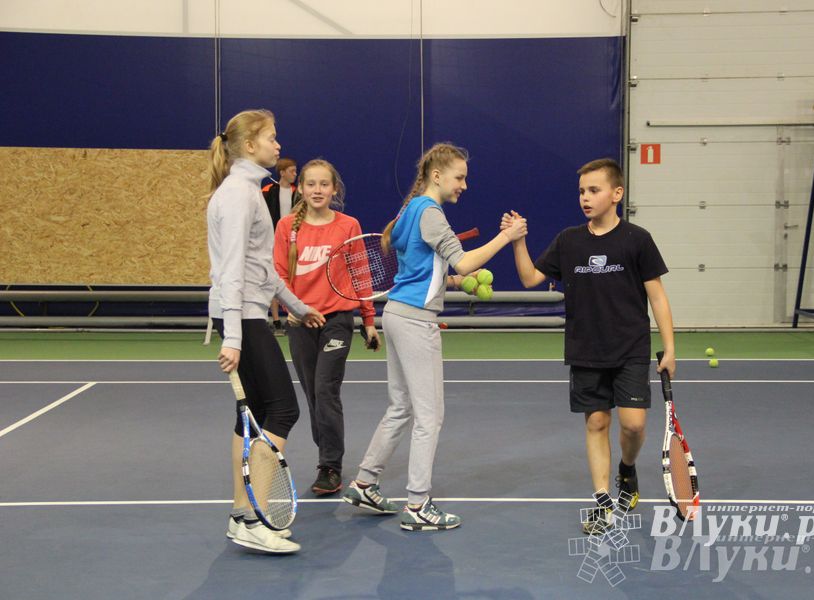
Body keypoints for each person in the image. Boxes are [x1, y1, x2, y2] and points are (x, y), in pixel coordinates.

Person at [342, 142, 527, 531]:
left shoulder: (411, 210)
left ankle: (364, 482)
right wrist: (506, 238)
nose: (464, 185)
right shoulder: (431, 214)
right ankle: (418, 505)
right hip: (414, 322)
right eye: (460, 177)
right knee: (430, 416)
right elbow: (463, 258)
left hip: (395, 313)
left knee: (401, 407)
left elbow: (430, 268)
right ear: (437, 175)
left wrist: (459, 281)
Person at [501, 158, 674, 533]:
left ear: (617, 194)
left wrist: (670, 347)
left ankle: (627, 469)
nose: (585, 197)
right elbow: (531, 278)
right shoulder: (569, 240)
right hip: (586, 349)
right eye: (581, 191)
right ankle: (601, 502)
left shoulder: (637, 240)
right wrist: (518, 241)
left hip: (630, 347)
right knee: (597, 422)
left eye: (594, 190)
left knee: (633, 425)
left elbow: (657, 296)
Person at [206, 109, 325, 554]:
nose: (279, 145)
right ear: (250, 145)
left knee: (249, 414)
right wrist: (234, 337)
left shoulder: (249, 191)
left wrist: (298, 306)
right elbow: (233, 269)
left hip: (244, 311)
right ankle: (253, 516)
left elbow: (260, 268)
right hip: (243, 316)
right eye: (272, 138)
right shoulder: (239, 194)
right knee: (283, 411)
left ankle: (242, 514)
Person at [273, 158, 379, 497]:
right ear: (300, 188)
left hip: (337, 321)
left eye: (324, 184)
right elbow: (278, 274)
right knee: (312, 394)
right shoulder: (287, 227)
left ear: (334, 189)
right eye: (311, 184)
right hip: (301, 323)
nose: (317, 190)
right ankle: (327, 454)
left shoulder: (348, 226)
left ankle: (330, 465)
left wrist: (369, 321)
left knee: (325, 389)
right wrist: (293, 309)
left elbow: (361, 273)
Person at [262, 158, 300, 333]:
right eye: (292, 171)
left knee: (292, 279)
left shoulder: (298, 193)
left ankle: (293, 315)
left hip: (293, 242)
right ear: (282, 172)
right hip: (272, 241)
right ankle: (276, 320)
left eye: (296, 171)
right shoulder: (268, 191)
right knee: (274, 278)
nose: (295, 174)